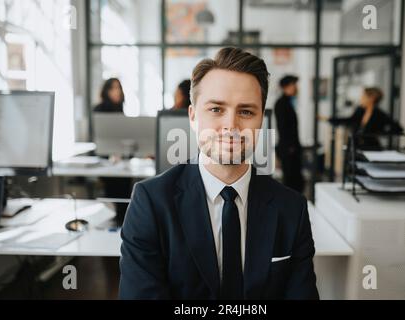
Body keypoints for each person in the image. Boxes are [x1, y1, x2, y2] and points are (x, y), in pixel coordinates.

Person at [119, 47, 318, 300]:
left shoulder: (292, 208)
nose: (231, 126)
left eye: (246, 112)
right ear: (192, 116)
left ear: (261, 121)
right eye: (216, 109)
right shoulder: (150, 202)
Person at [93, 78, 132, 226]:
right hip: (105, 159)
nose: (117, 92)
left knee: (125, 190)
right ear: (106, 91)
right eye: (113, 88)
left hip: (121, 160)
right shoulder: (99, 109)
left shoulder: (120, 110)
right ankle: (116, 221)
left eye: (119, 88)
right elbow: (99, 138)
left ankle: (122, 221)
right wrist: (110, 154)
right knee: (114, 192)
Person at [320, 87, 403, 150]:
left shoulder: (380, 114)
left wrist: (380, 133)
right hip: (355, 147)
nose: (361, 98)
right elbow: (349, 120)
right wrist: (329, 119)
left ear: (371, 98)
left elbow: (398, 129)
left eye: (364, 96)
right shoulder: (360, 110)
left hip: (371, 148)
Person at [274, 75, 304, 193]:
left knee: (296, 181)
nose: (296, 88)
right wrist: (290, 147)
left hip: (292, 148)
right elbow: (283, 128)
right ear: (286, 87)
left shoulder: (289, 102)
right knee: (291, 182)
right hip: (288, 149)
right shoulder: (281, 104)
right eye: (293, 85)